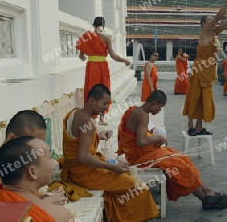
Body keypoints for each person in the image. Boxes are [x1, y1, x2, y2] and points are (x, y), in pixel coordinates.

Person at [117, 90, 227, 210]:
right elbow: (141, 141)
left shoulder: (134, 109)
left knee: (182, 157)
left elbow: (136, 135)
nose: (160, 111)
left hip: (142, 153)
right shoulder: (143, 115)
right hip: (139, 157)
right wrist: (158, 138)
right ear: (154, 104)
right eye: (160, 108)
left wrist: (151, 135)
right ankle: (204, 199)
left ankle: (207, 190)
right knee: (179, 166)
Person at [61, 84, 159, 222]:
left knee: (125, 174)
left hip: (75, 169)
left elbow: (78, 138)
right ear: (91, 101)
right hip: (84, 174)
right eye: (104, 103)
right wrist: (110, 167)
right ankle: (132, 218)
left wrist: (97, 136)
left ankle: (116, 214)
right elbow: (83, 156)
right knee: (136, 187)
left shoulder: (75, 113)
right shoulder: (87, 121)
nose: (106, 108)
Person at [183, 0, 227, 136]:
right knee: (195, 97)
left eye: (211, 20)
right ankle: (190, 125)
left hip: (209, 70)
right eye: (209, 20)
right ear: (204, 24)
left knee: (205, 99)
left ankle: (199, 126)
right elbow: (219, 16)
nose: (212, 22)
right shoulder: (205, 32)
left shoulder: (215, 33)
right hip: (200, 69)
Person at [0, 110, 66, 205]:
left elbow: (20, 195)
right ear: (11, 139)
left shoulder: (21, 161)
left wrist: (41, 198)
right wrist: (46, 203)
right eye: (31, 143)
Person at [0, 136, 73, 221]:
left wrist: (43, 202)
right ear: (32, 172)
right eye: (50, 158)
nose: (54, 163)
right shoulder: (60, 216)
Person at [76, 16, 131, 125]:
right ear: (103, 26)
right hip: (102, 67)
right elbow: (113, 55)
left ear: (93, 25)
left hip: (91, 67)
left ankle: (90, 118)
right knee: (103, 91)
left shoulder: (86, 37)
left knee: (91, 90)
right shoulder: (106, 39)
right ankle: (101, 118)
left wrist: (86, 57)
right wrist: (124, 60)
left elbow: (81, 56)